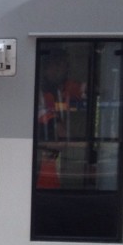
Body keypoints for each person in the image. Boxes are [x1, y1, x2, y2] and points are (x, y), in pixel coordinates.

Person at [35, 47, 85, 189]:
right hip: (43, 155)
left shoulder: (60, 87)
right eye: (59, 65)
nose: (63, 71)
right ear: (48, 67)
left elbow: (83, 89)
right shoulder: (39, 90)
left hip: (51, 156)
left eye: (65, 66)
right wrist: (56, 124)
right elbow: (42, 112)